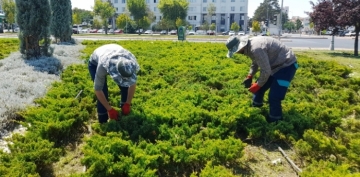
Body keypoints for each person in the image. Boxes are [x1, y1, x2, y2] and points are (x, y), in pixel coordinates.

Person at [225, 36, 298, 123]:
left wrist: (258, 85)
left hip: (287, 66)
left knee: (274, 96)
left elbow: (266, 71)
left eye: (236, 51)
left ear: (241, 47)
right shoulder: (250, 46)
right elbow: (255, 62)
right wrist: (250, 75)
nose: (237, 53)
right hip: (274, 66)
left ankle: (275, 121)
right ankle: (257, 111)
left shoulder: (256, 48)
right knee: (259, 89)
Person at [88, 44, 140, 123]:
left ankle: (124, 112)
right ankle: (103, 121)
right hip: (96, 62)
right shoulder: (102, 66)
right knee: (103, 91)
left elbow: (132, 83)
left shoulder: (130, 64)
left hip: (115, 51)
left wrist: (128, 103)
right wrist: (110, 109)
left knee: (125, 87)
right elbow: (98, 90)